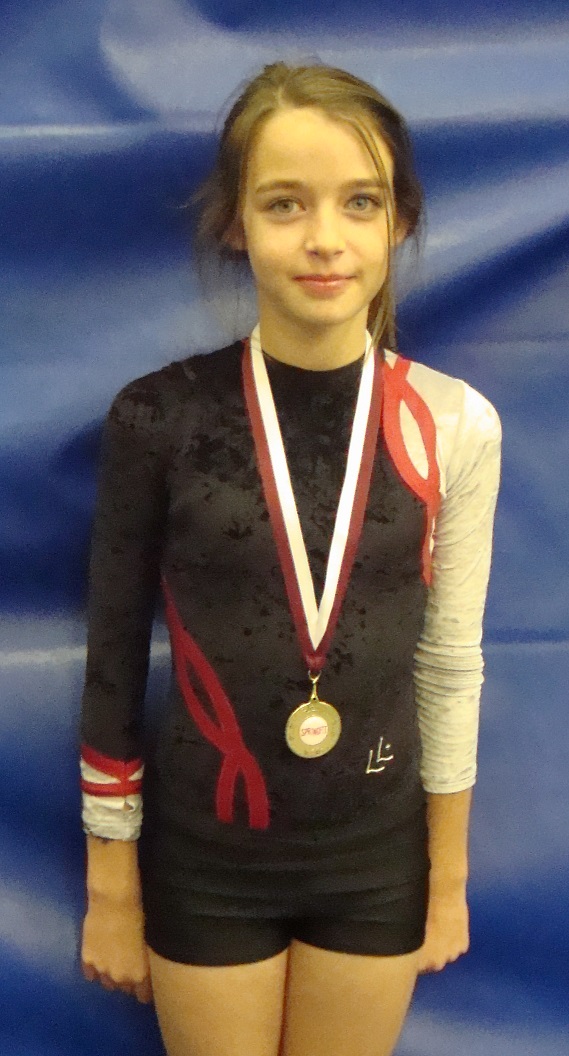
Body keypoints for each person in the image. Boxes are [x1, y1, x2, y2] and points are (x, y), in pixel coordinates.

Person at [79, 62, 501, 1056]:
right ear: (236, 223)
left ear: (399, 222)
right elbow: (112, 664)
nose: (323, 238)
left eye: (359, 202)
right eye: (284, 204)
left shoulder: (452, 422)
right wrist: (111, 889)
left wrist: (445, 882)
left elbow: (449, 662)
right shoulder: (158, 416)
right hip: (206, 860)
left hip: (374, 859)